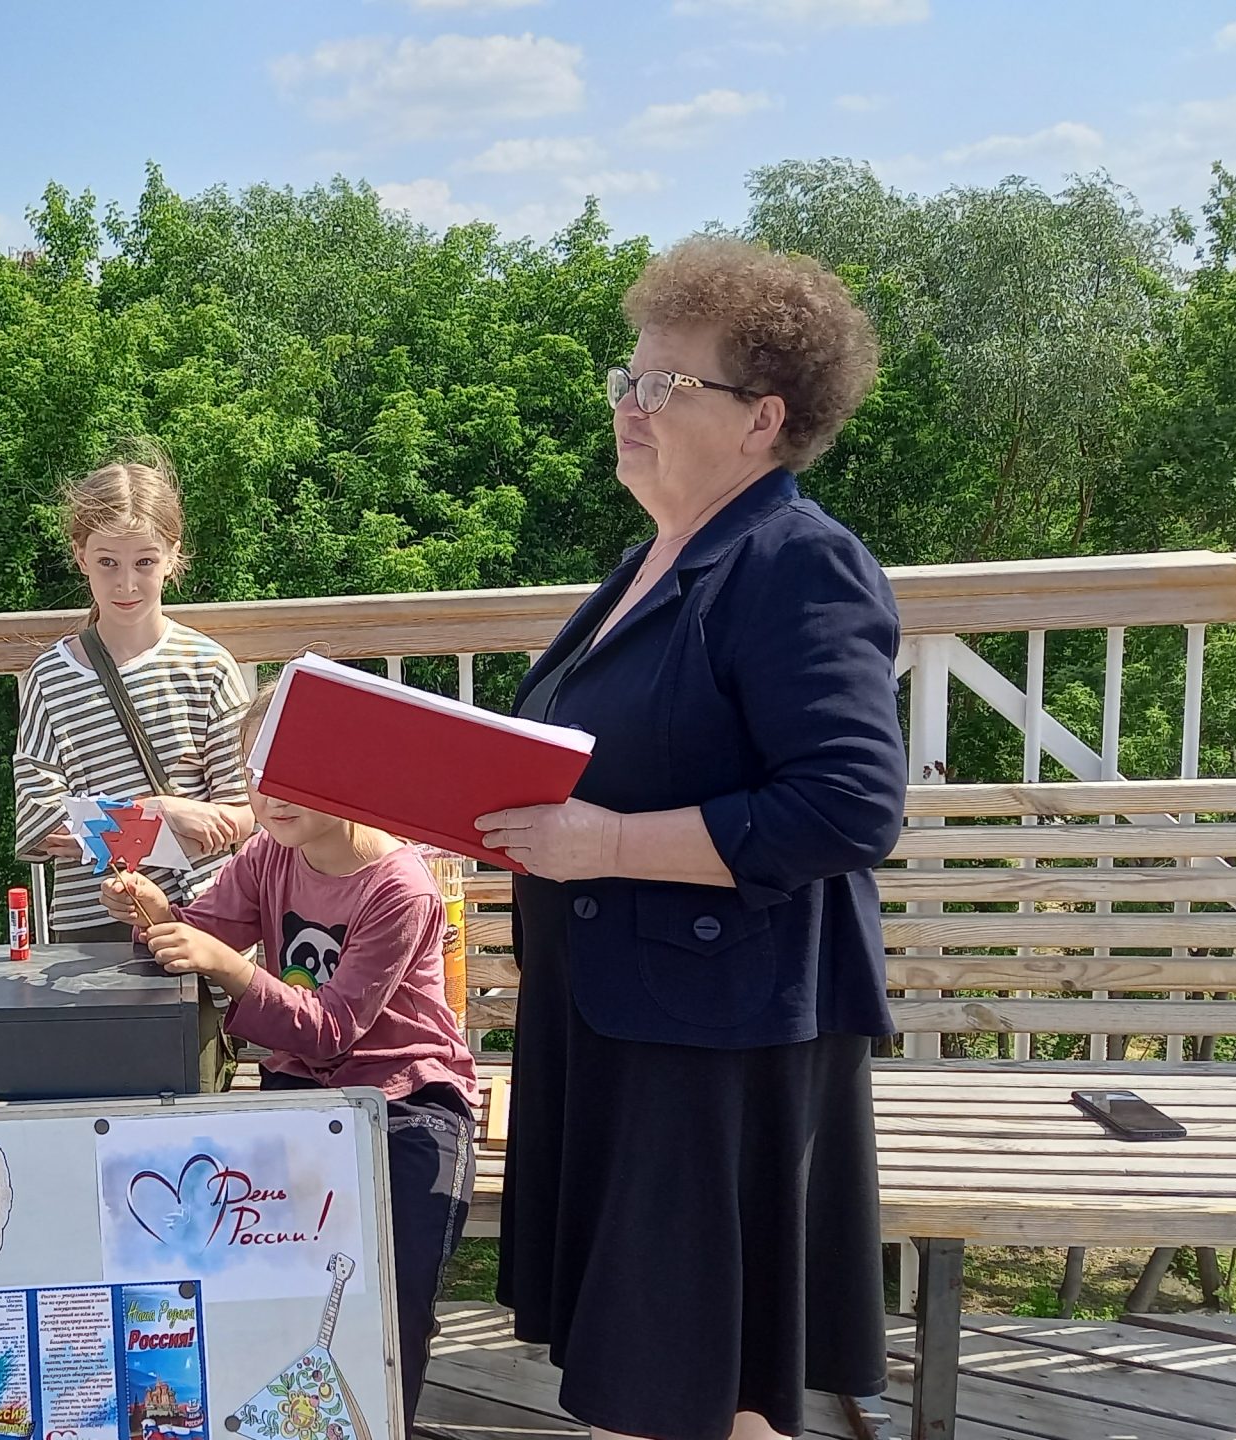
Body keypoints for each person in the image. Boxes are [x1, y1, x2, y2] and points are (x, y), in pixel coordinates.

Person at [471, 237, 905, 1440]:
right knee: (688, 1387)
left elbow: (851, 804)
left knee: (673, 1385)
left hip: (717, 1035)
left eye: (665, 384)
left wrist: (606, 847)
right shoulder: (652, 558)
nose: (628, 403)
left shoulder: (795, 560)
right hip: (626, 1015)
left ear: (762, 418)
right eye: (627, 376)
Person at [101, 679, 478, 1426]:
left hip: (408, 1102)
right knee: (274, 1288)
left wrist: (233, 968)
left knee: (391, 1305)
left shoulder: (399, 887)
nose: (273, 794)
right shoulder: (270, 856)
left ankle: (385, 1419)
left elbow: (334, 1029)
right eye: (257, 770)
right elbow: (199, 929)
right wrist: (149, 913)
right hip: (302, 1095)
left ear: (356, 777)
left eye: (298, 773)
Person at [13, 454, 255, 942]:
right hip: (92, 927)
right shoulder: (49, 677)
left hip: (200, 922)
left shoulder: (208, 665)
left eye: (144, 561)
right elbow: (40, 827)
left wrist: (106, 824)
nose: (126, 584)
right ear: (81, 557)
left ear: (172, 557)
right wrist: (161, 811)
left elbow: (244, 813)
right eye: (108, 563)